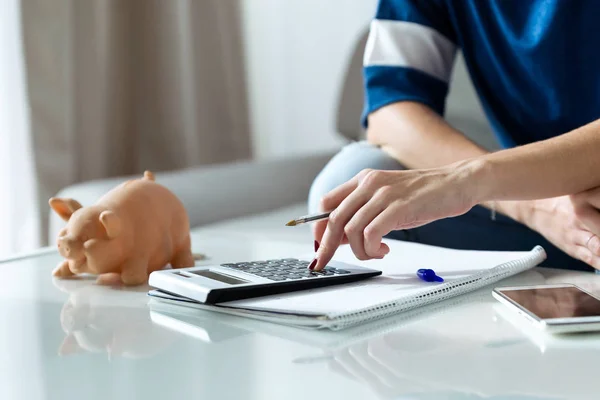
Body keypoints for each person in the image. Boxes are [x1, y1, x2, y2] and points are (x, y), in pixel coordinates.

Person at [307, 0, 600, 272]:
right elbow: (390, 112)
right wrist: (536, 208)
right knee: (351, 196)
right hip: (542, 215)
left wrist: (469, 180)